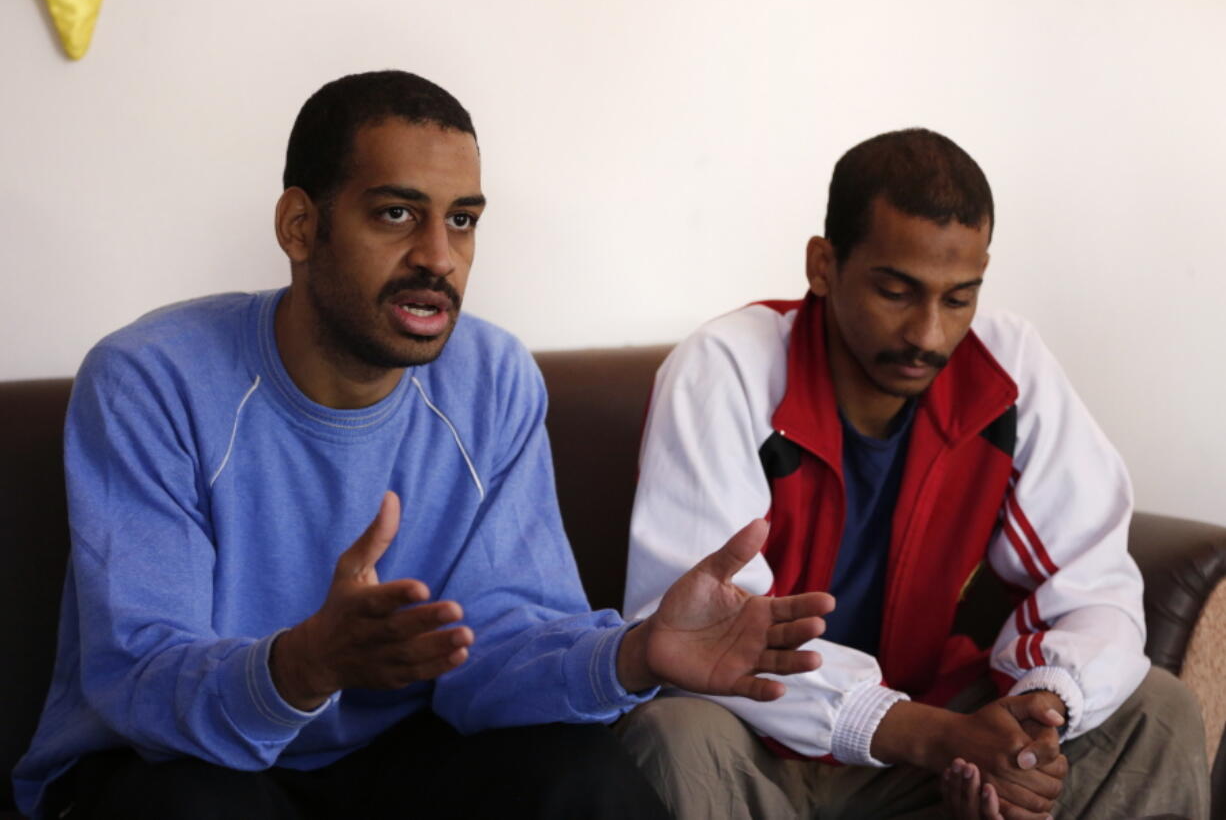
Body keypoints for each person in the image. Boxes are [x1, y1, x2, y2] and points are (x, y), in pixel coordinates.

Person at [12, 70, 836, 820]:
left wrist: (631, 653)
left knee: (581, 778)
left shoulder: (493, 377)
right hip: (168, 763)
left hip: (393, 754)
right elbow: (142, 678)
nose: (438, 257)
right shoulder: (150, 379)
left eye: (463, 220)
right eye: (397, 213)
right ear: (300, 225)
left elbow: (499, 645)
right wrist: (303, 663)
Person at [617, 128, 1210, 820]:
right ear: (823, 265)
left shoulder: (1008, 367)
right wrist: (931, 734)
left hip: (931, 740)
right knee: (673, 733)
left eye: (958, 298)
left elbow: (1093, 581)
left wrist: (1034, 728)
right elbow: (703, 637)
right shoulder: (725, 369)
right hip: (758, 744)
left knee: (1156, 711)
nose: (928, 333)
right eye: (896, 291)